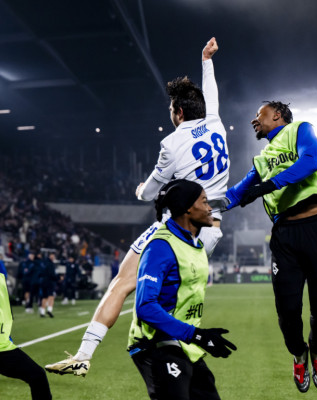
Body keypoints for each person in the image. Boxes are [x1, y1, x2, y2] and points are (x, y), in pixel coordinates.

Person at [45, 37, 230, 377]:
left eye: (171, 110)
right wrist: (207, 61)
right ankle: (181, 359)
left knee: (123, 283)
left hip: (179, 230)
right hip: (212, 230)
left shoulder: (172, 143)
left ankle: (84, 354)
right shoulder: (216, 123)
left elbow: (149, 193)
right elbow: (212, 93)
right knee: (171, 302)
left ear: (179, 112)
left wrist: (140, 190)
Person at [224, 101, 317, 393]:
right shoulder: (263, 158)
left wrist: (269, 185)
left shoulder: (301, 129)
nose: (254, 120)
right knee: (287, 311)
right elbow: (236, 194)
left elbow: (310, 161)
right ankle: (299, 355)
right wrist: (197, 203)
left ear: (277, 114)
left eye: (259, 114)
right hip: (284, 235)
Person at [129, 179, 236, 399]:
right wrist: (196, 335)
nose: (209, 208)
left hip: (184, 342)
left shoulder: (194, 245)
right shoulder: (160, 247)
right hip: (155, 345)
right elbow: (145, 306)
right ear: (188, 208)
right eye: (204, 202)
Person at [0, 260, 52, 399]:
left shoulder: (1, 271)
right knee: (37, 376)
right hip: (2, 348)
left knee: (37, 376)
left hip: (3, 346)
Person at [39, 252, 58, 318]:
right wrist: (58, 278)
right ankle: (49, 310)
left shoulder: (43, 262)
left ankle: (42, 312)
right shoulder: (51, 264)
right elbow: (52, 274)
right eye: (52, 256)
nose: (53, 257)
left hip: (43, 282)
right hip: (50, 282)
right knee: (51, 296)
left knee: (44, 297)